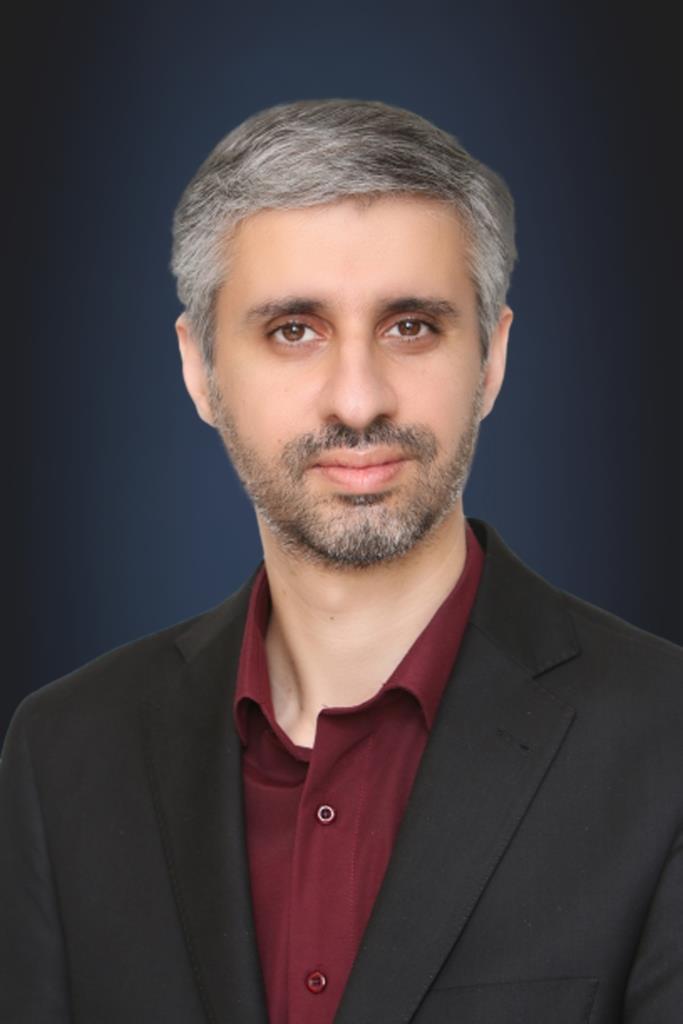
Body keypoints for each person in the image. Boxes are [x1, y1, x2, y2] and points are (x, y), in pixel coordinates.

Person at [1, 100, 681, 1024]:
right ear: (200, 370)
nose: (357, 401)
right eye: (294, 329)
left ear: (491, 359)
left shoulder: (664, 744)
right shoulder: (64, 755)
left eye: (411, 326)